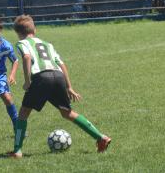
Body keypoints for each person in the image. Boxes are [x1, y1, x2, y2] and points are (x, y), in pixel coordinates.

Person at [8, 15, 111, 158]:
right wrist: (69, 87)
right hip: (58, 77)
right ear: (35, 30)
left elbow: (26, 57)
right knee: (67, 112)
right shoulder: (47, 44)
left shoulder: (22, 43)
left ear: (18, 33)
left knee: (23, 113)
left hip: (41, 78)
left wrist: (27, 81)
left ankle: (17, 150)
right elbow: (61, 64)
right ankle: (101, 137)